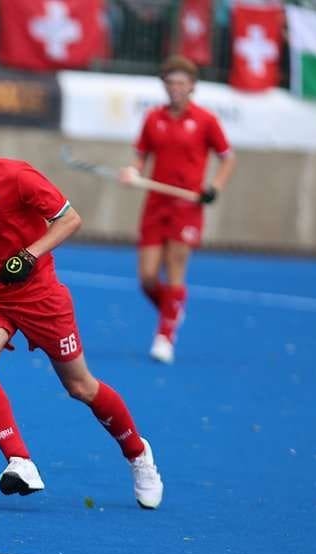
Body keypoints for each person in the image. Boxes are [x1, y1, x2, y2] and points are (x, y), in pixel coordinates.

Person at [0, 105, 163, 510]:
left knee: (80, 387)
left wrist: (29, 254)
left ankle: (137, 453)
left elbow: (69, 219)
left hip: (39, 293)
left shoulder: (17, 176)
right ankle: (20, 461)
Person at [122, 55, 235, 364]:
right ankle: (172, 311)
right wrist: (132, 172)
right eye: (170, 83)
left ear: (192, 87)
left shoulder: (206, 120)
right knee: (146, 277)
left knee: (174, 268)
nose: (175, 88)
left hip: (187, 205)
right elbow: (140, 156)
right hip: (156, 203)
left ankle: (165, 337)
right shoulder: (153, 118)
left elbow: (227, 158)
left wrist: (214, 188)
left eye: (181, 83)